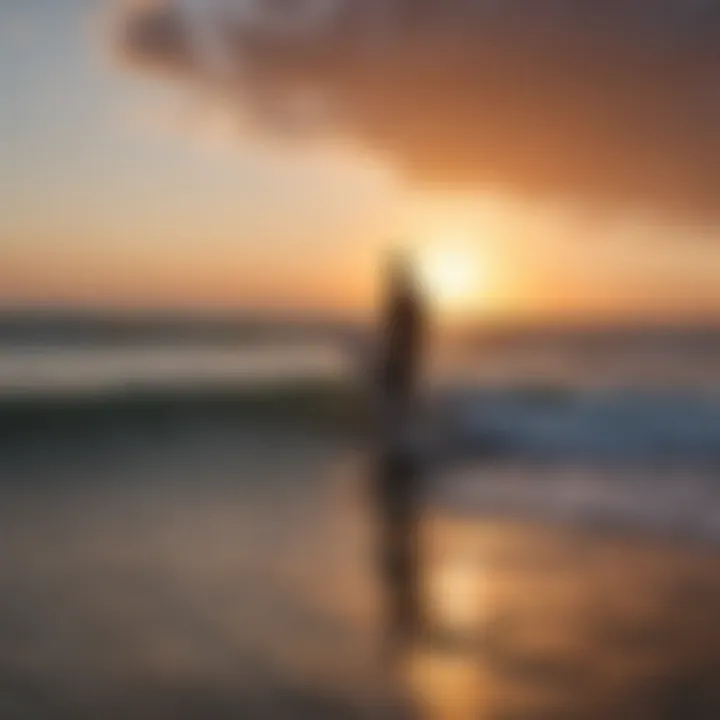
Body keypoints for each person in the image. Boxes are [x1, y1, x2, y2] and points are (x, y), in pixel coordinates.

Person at [372, 251, 427, 651]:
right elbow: (417, 333)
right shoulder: (413, 299)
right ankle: (401, 452)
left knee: (397, 415)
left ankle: (399, 455)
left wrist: (391, 362)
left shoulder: (402, 300)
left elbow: (396, 336)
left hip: (399, 366)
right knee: (400, 414)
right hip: (404, 366)